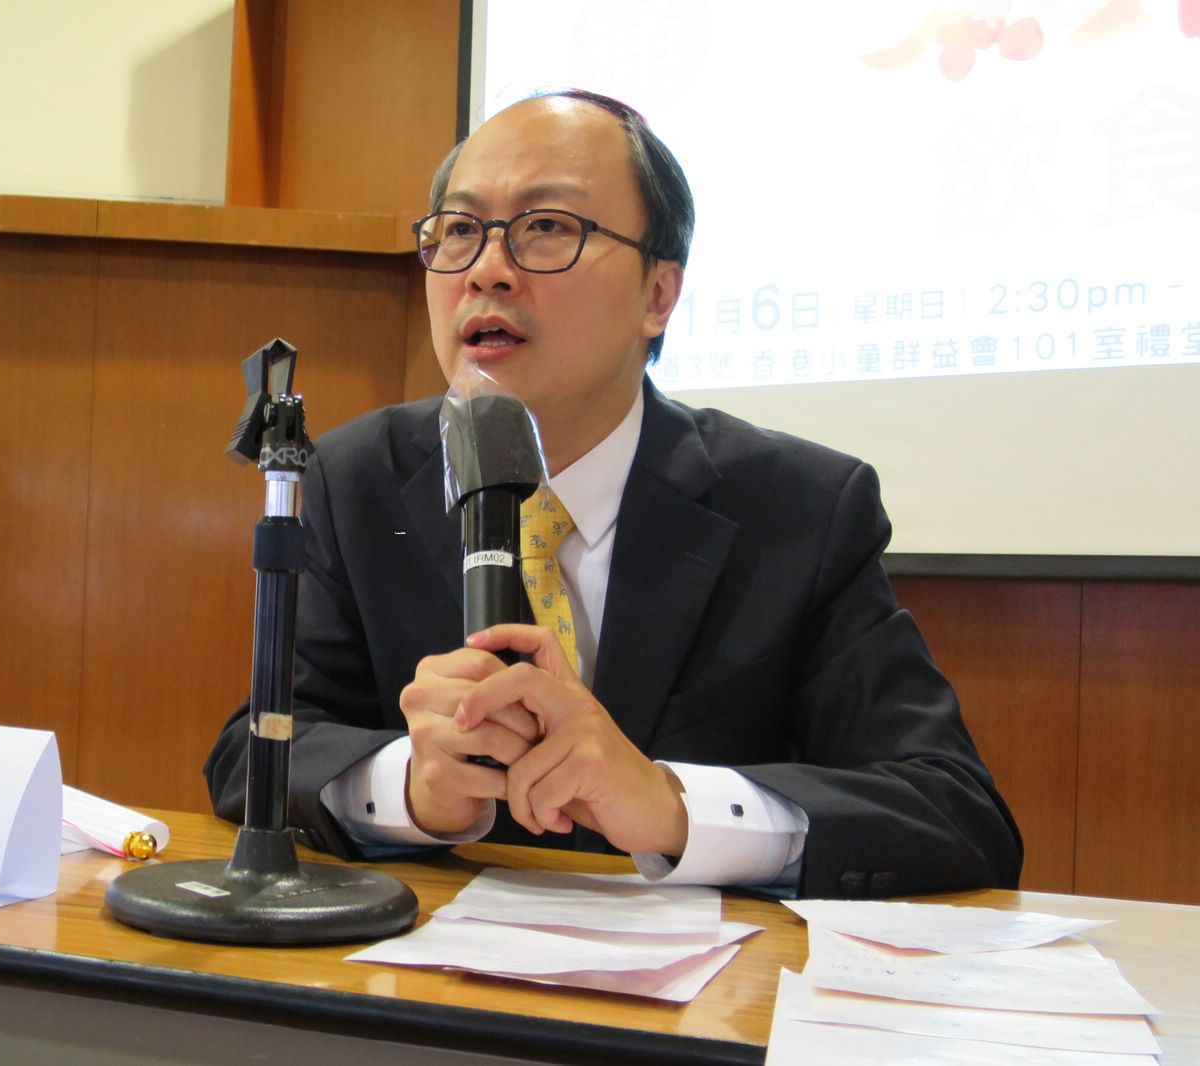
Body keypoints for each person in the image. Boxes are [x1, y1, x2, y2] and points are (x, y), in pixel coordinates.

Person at [204, 89, 1022, 898]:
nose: (486, 270)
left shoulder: (799, 508)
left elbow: (953, 813)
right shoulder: (355, 479)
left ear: (658, 295)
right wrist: (410, 786)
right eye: (458, 231)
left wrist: (671, 804)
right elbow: (256, 754)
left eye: (547, 227)